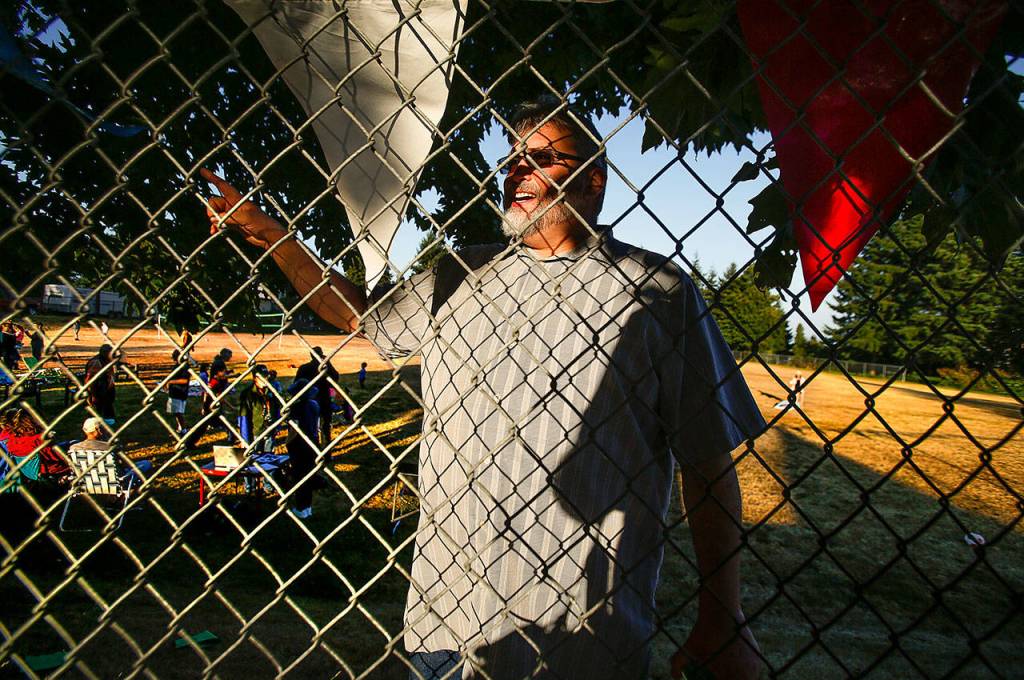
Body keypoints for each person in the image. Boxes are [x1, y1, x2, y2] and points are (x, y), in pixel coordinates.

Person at [201, 97, 765, 679]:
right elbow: (359, 315)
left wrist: (723, 615)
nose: (517, 171)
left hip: (576, 639)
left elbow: (708, 462)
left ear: (593, 180)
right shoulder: (460, 273)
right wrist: (272, 235)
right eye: (513, 159)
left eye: (541, 158)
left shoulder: (656, 291)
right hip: (442, 624)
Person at [68, 417, 152, 486]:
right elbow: (126, 464)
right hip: (114, 481)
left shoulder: (74, 448)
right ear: (99, 430)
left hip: (86, 481)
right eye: (105, 428)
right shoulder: (110, 447)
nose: (108, 430)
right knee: (146, 463)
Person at [284, 378, 320, 519]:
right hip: (312, 443)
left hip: (299, 445)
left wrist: (288, 442)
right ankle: (308, 507)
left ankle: (301, 508)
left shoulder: (296, 408)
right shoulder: (314, 405)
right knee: (308, 476)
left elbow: (293, 428)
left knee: (299, 476)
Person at [1, 408, 70, 479]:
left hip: (30, 472)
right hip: (51, 470)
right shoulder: (39, 441)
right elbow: (57, 456)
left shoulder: (11, 441)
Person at [294, 347, 339, 446]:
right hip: (324, 400)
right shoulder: (326, 368)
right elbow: (336, 378)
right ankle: (326, 449)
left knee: (310, 426)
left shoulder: (304, 368)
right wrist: (328, 363)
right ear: (321, 354)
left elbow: (296, 384)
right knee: (325, 426)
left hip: (309, 400)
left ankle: (313, 448)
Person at [184, 361, 232, 449]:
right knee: (205, 426)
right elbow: (209, 394)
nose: (225, 373)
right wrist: (204, 406)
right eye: (223, 371)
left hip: (214, 407)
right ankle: (189, 443)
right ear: (217, 372)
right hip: (210, 407)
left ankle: (232, 436)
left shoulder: (218, 380)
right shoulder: (214, 382)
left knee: (219, 423)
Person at [236, 365, 271, 446]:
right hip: (256, 433)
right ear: (255, 378)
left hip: (270, 431)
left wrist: (277, 427)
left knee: (269, 452)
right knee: (255, 452)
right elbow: (244, 418)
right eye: (262, 377)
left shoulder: (271, 391)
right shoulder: (248, 394)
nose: (265, 379)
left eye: (266, 376)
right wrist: (245, 439)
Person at [84, 344, 117, 422]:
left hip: (106, 388)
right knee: (98, 407)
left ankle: (107, 420)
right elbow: (90, 379)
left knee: (107, 405)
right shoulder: (96, 362)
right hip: (98, 388)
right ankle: (96, 422)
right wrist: (93, 394)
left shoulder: (107, 360)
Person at [166, 349, 191, 435]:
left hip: (179, 392)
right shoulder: (178, 365)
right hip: (175, 391)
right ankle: (180, 427)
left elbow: (184, 380)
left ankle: (183, 429)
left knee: (178, 412)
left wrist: (170, 382)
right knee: (177, 412)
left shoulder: (184, 367)